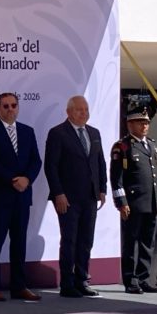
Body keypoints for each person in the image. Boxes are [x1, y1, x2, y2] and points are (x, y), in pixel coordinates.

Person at [0, 92, 43, 302]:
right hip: (0, 196)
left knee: (19, 243)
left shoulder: (27, 131)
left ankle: (19, 286)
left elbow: (36, 161)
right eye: (5, 106)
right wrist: (14, 179)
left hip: (23, 197)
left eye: (13, 105)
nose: (10, 109)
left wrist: (27, 179)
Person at [44, 96, 107, 298]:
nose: (83, 113)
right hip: (67, 198)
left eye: (86, 109)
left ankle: (82, 280)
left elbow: (100, 163)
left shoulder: (94, 133)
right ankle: (67, 283)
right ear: (69, 112)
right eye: (79, 109)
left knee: (86, 240)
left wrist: (102, 189)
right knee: (69, 239)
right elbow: (51, 166)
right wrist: (58, 193)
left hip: (89, 196)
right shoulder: (58, 133)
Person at [110, 108, 157, 294]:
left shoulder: (152, 146)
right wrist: (121, 202)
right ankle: (130, 280)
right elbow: (116, 179)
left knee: (148, 242)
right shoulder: (123, 147)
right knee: (131, 242)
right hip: (133, 204)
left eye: (146, 122)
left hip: (152, 203)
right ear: (130, 124)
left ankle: (143, 278)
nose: (145, 125)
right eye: (140, 122)